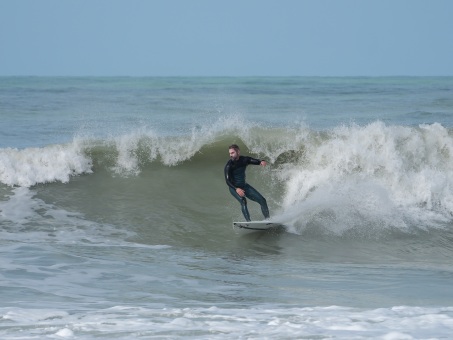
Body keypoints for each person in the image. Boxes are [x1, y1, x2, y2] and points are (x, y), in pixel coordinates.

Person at [224, 144, 270, 221]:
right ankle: (249, 222)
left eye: (232, 153)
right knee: (243, 201)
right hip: (234, 188)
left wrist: (261, 162)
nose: (230, 155)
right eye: (230, 153)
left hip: (244, 186)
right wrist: (236, 189)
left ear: (238, 152)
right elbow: (227, 181)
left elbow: (254, 160)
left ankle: (268, 221)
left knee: (262, 200)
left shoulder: (244, 160)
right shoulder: (229, 165)